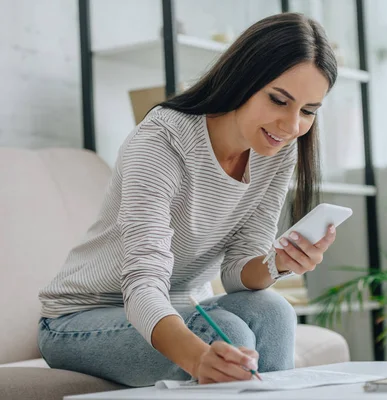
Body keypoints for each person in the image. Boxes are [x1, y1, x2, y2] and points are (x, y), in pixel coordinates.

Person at [37, 12, 338, 387]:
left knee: (273, 311)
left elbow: (236, 275)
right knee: (229, 337)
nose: (292, 126)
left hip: (180, 305)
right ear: (243, 79)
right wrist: (198, 358)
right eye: (279, 100)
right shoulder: (162, 141)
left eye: (308, 111)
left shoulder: (277, 152)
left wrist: (279, 262)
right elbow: (143, 283)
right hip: (80, 319)